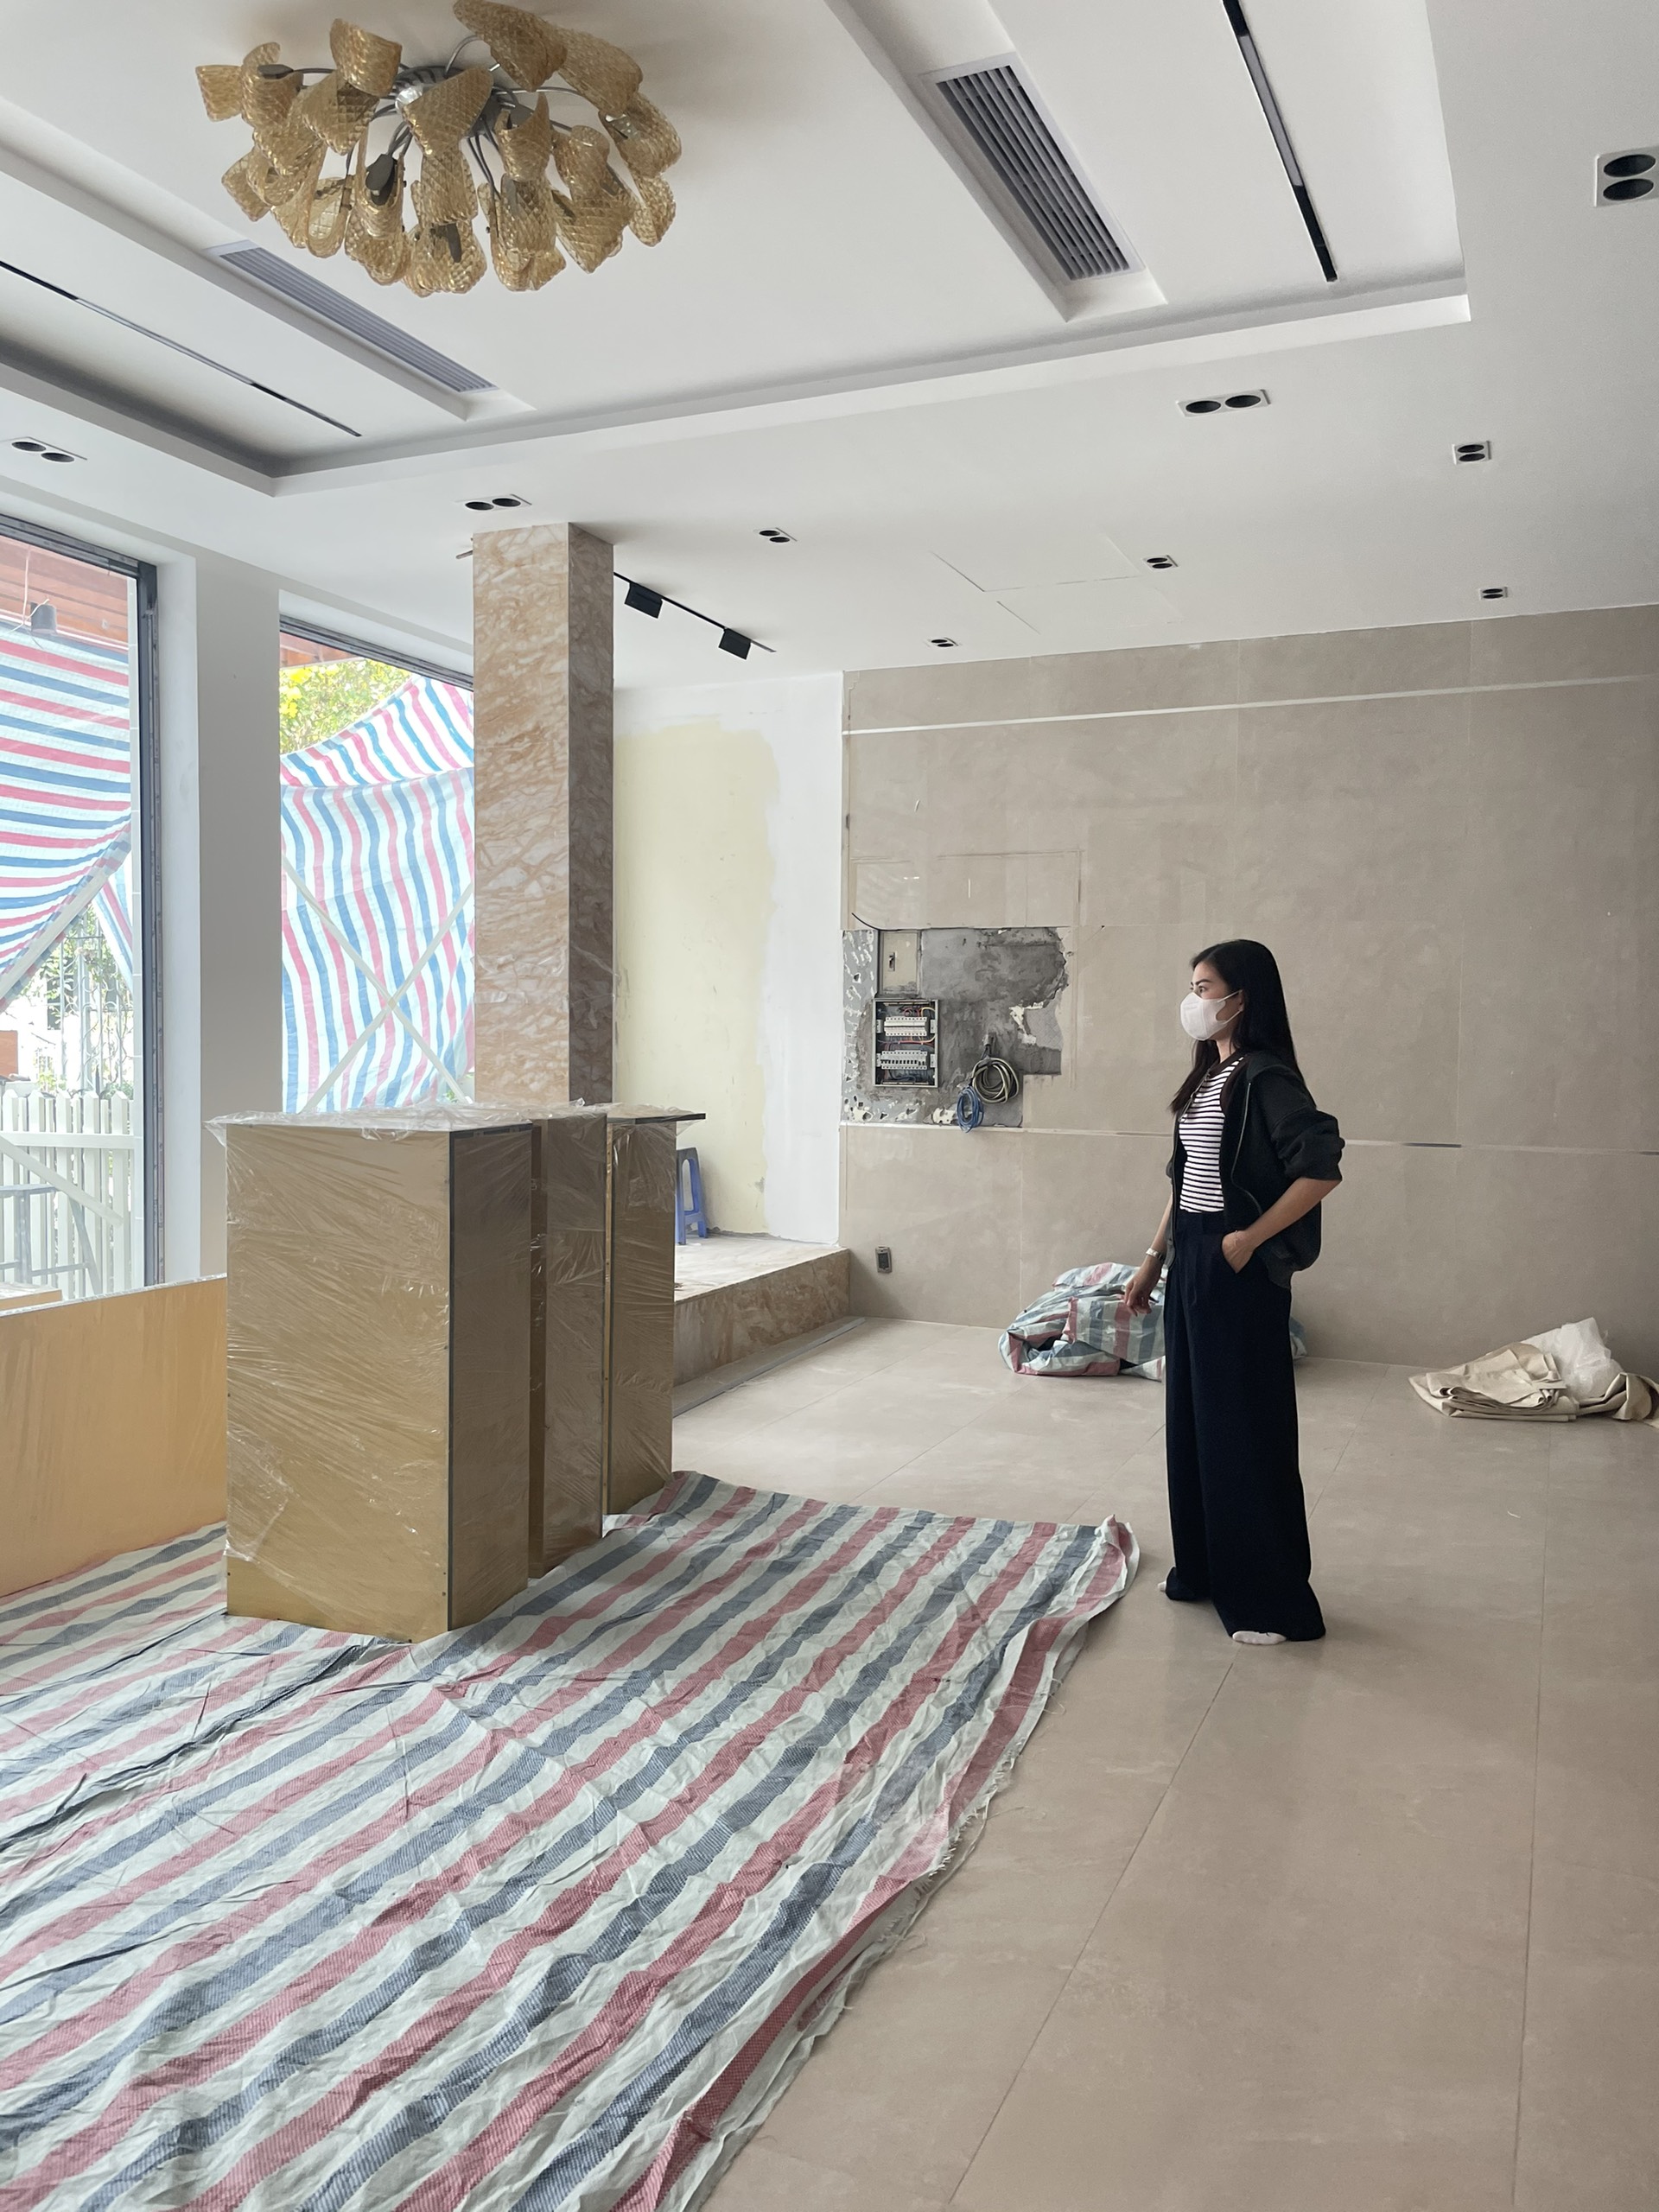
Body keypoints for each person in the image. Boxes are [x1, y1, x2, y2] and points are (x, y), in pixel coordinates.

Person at [1123, 941, 1343, 1645]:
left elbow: (1320, 1167)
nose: (1194, 1000)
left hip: (1233, 1263)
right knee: (1194, 1418)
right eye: (1193, 986)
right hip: (1192, 1254)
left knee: (1244, 1426)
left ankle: (1270, 1602)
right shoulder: (1209, 1077)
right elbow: (1184, 1178)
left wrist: (1248, 1240)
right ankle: (1207, 1569)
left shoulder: (1265, 1077)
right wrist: (1153, 1258)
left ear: (1243, 996)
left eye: (1205, 986)